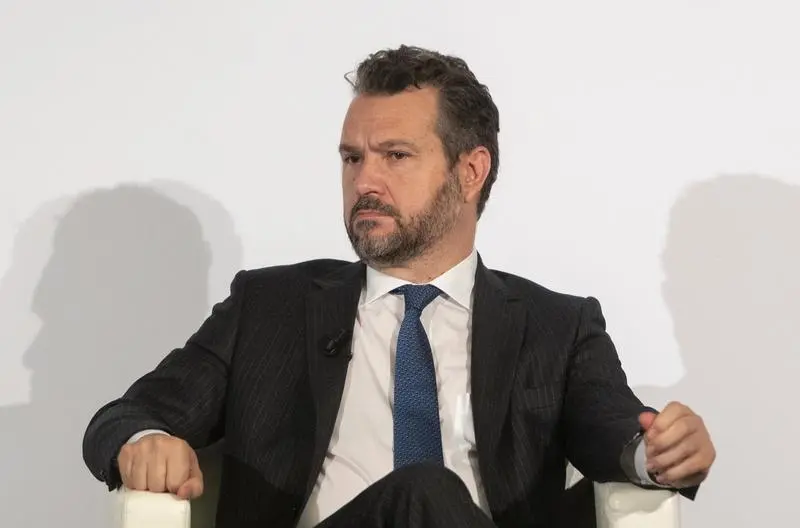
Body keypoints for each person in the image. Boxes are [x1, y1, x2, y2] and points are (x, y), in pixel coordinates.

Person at [82, 45, 715, 528]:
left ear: (470, 171)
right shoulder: (269, 308)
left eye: (396, 156)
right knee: (425, 491)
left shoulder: (556, 326)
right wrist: (145, 442)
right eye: (352, 158)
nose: (364, 181)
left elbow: (616, 431)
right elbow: (122, 417)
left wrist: (660, 453)